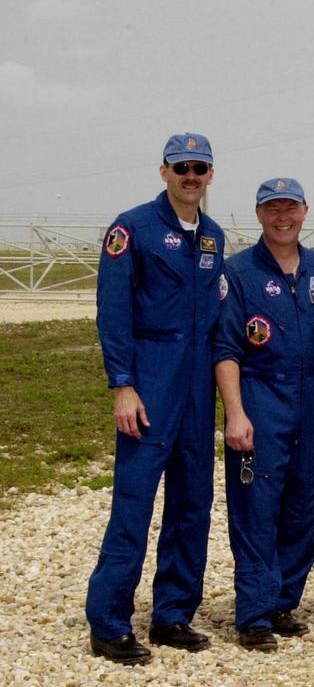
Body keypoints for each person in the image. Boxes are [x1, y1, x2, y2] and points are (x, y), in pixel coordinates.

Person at [86, 133, 224, 665]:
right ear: (163, 171)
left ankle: (172, 614)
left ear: (211, 175)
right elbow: (113, 310)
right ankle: (109, 621)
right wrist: (122, 384)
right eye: (181, 167)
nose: (191, 176)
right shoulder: (133, 228)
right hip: (149, 380)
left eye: (200, 168)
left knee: (192, 503)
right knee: (134, 504)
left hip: (196, 386)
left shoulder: (212, 236)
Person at [212, 178, 314, 652]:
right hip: (261, 398)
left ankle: (284, 601)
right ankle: (254, 614)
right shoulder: (237, 273)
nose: (282, 217)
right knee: (257, 508)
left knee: (304, 504)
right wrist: (235, 414)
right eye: (272, 209)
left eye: (290, 208)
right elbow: (225, 349)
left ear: (305, 211)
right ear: (259, 214)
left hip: (313, 401)